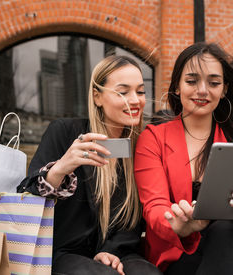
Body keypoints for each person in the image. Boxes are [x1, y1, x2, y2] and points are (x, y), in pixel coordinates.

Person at [134, 42, 233, 275]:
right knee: (224, 236)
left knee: (227, 232)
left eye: (214, 83)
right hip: (184, 254)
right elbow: (155, 205)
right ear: (177, 86)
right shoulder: (153, 139)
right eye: (191, 81)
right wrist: (176, 224)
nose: (203, 90)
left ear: (224, 89)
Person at [17, 55, 162, 275]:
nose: (135, 100)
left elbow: (135, 218)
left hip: (120, 250)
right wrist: (60, 169)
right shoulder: (65, 132)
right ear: (97, 96)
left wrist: (110, 250)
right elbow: (28, 194)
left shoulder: (142, 146)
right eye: (123, 92)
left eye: (140, 91)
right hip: (62, 251)